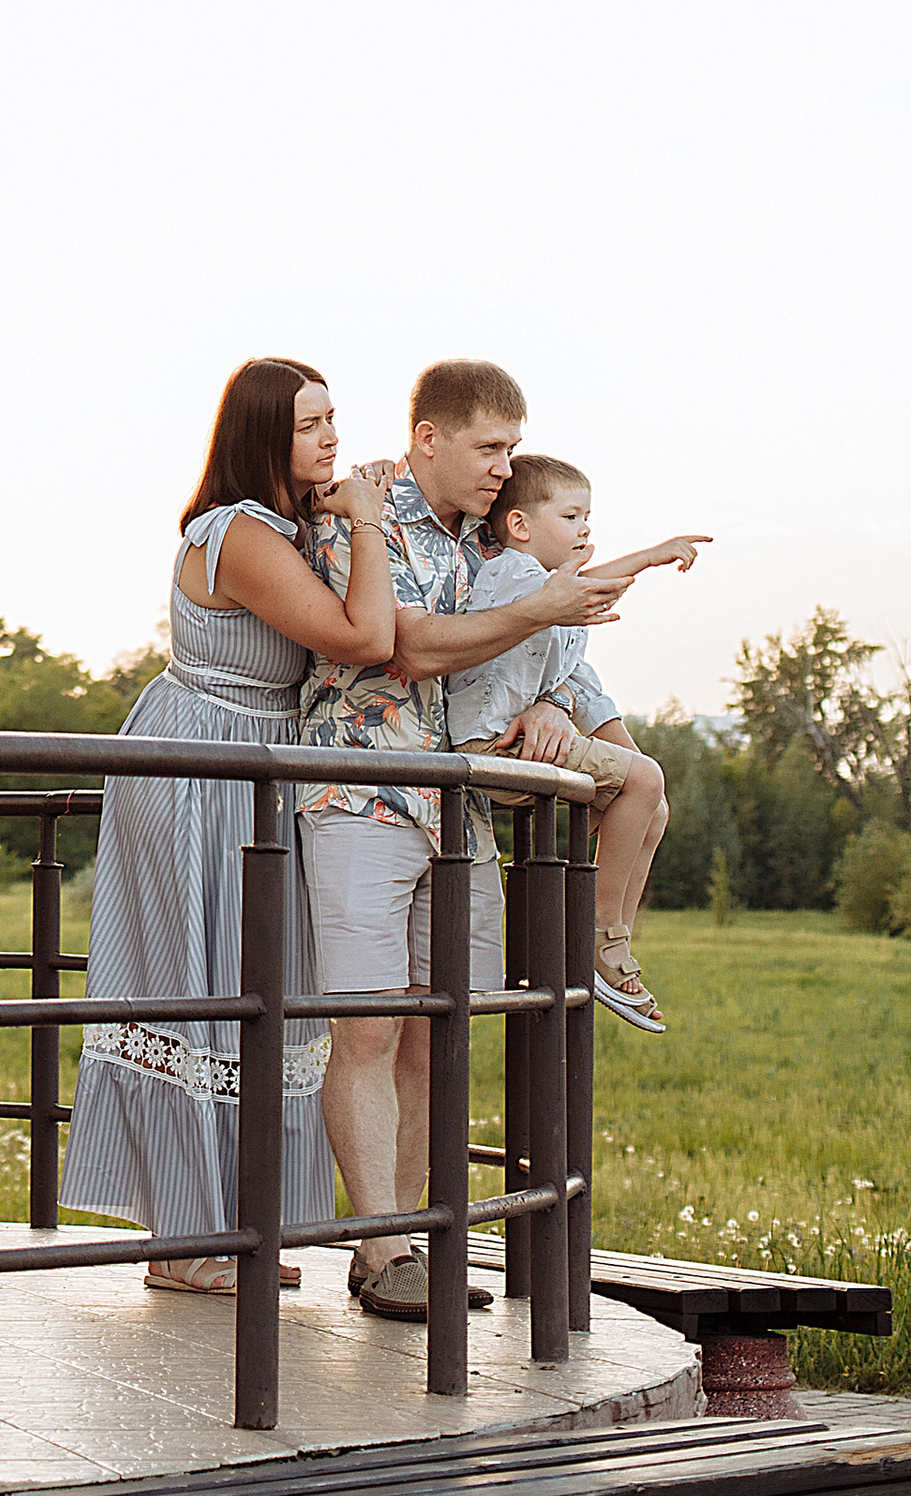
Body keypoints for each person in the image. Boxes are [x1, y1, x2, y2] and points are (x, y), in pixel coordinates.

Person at [297, 359, 625, 1325]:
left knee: (440, 1033)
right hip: (361, 798)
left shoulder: (491, 539)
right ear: (428, 437)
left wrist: (555, 703)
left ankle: (421, 1243)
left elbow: (533, 654)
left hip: (462, 815)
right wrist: (540, 611)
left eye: (513, 451)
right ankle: (380, 1251)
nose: (502, 468)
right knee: (366, 1026)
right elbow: (406, 645)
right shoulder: (360, 515)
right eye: (488, 448)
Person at [66, 356, 400, 1298]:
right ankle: (182, 1241)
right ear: (263, 439)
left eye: (335, 419)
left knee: (251, 987)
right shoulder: (244, 534)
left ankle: (222, 1228)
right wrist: (368, 522)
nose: (332, 439)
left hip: (255, 763)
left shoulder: (288, 527)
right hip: (201, 759)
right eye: (310, 426)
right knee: (194, 984)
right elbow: (365, 639)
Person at [450, 454, 705, 1035]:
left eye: (588, 515)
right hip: (489, 748)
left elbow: (582, 686)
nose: (585, 528)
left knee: (650, 800)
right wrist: (648, 556)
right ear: (520, 526)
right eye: (571, 515)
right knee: (643, 781)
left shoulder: (553, 603)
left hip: (507, 751)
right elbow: (587, 589)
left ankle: (590, 933)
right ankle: (598, 940)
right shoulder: (513, 575)